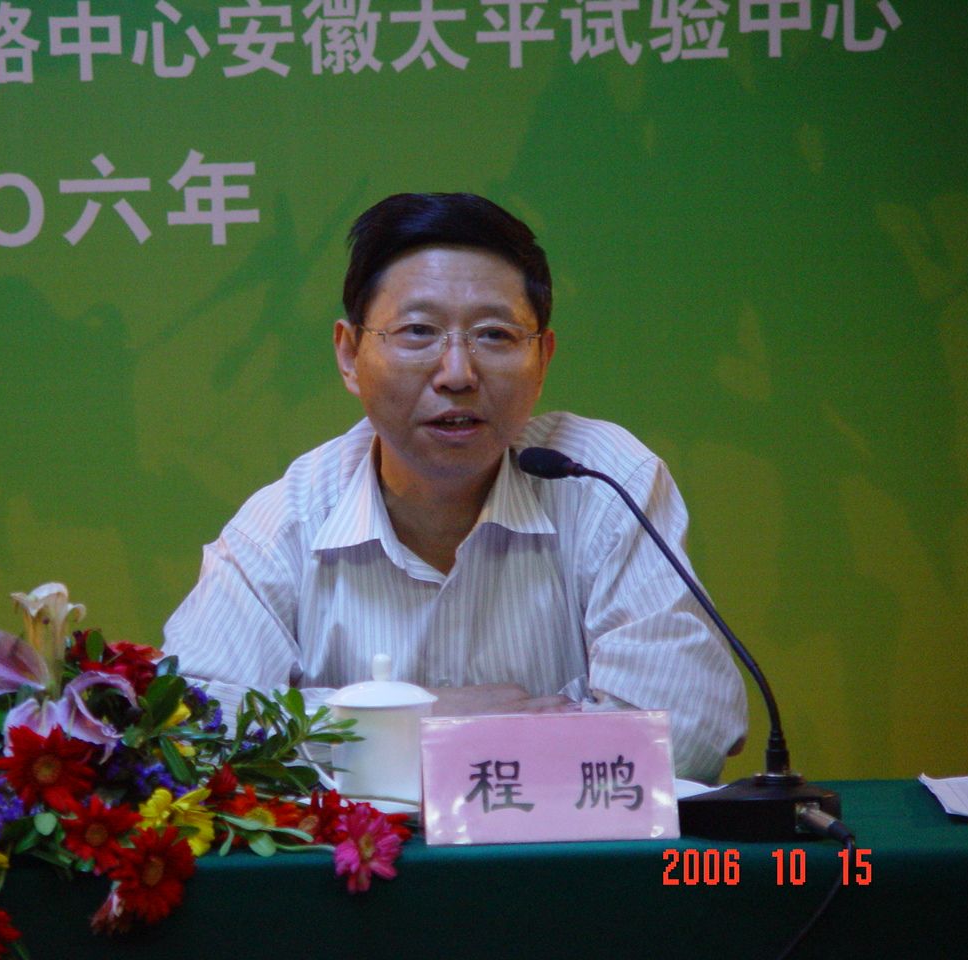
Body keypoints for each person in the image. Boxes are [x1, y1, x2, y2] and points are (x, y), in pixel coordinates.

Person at [163, 193, 747, 783]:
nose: (458, 374)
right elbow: (184, 730)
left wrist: (369, 745)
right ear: (349, 354)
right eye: (418, 331)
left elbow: (686, 731)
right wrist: (413, 723)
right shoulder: (286, 522)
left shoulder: (602, 482)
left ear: (542, 358)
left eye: (494, 335)